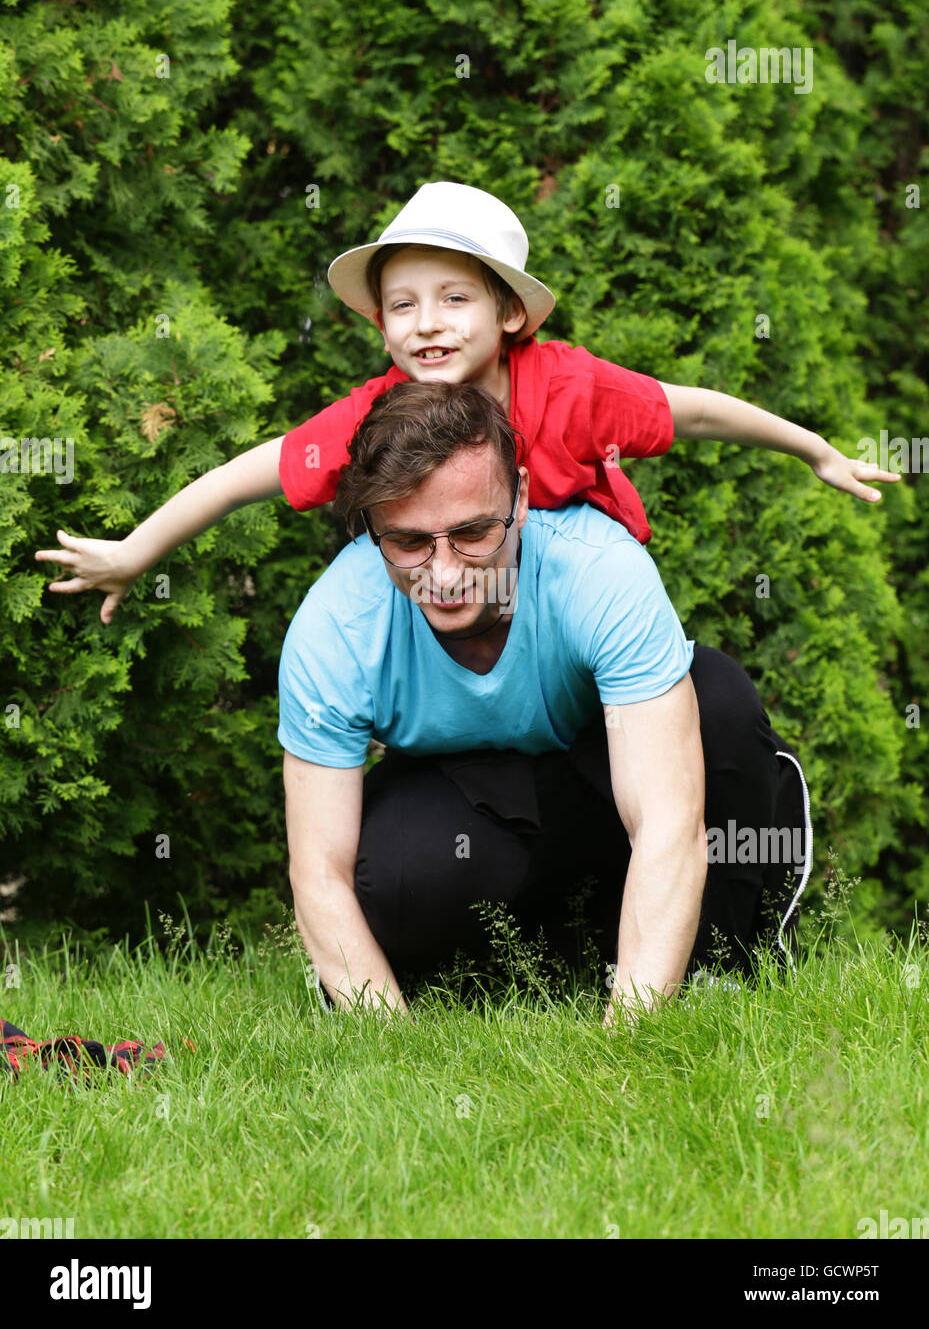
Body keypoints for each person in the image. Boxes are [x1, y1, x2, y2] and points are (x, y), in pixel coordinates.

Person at [34, 181, 898, 619]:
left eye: (454, 298)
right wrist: (136, 551)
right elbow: (242, 475)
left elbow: (695, 408)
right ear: (382, 329)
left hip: (576, 590)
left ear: (507, 312)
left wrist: (812, 447)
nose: (426, 325)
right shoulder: (377, 416)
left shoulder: (569, 388)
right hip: (466, 606)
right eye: (402, 305)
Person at [279, 379, 812, 1030]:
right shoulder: (333, 625)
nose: (443, 575)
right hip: (470, 793)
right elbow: (319, 872)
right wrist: (387, 1040)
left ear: (523, 498)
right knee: (390, 884)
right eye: (410, 542)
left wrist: (629, 1043)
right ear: (370, 530)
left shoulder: (600, 571)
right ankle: (575, 952)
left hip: (605, 764)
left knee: (715, 702)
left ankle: (713, 965)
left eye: (472, 532)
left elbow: (667, 822)